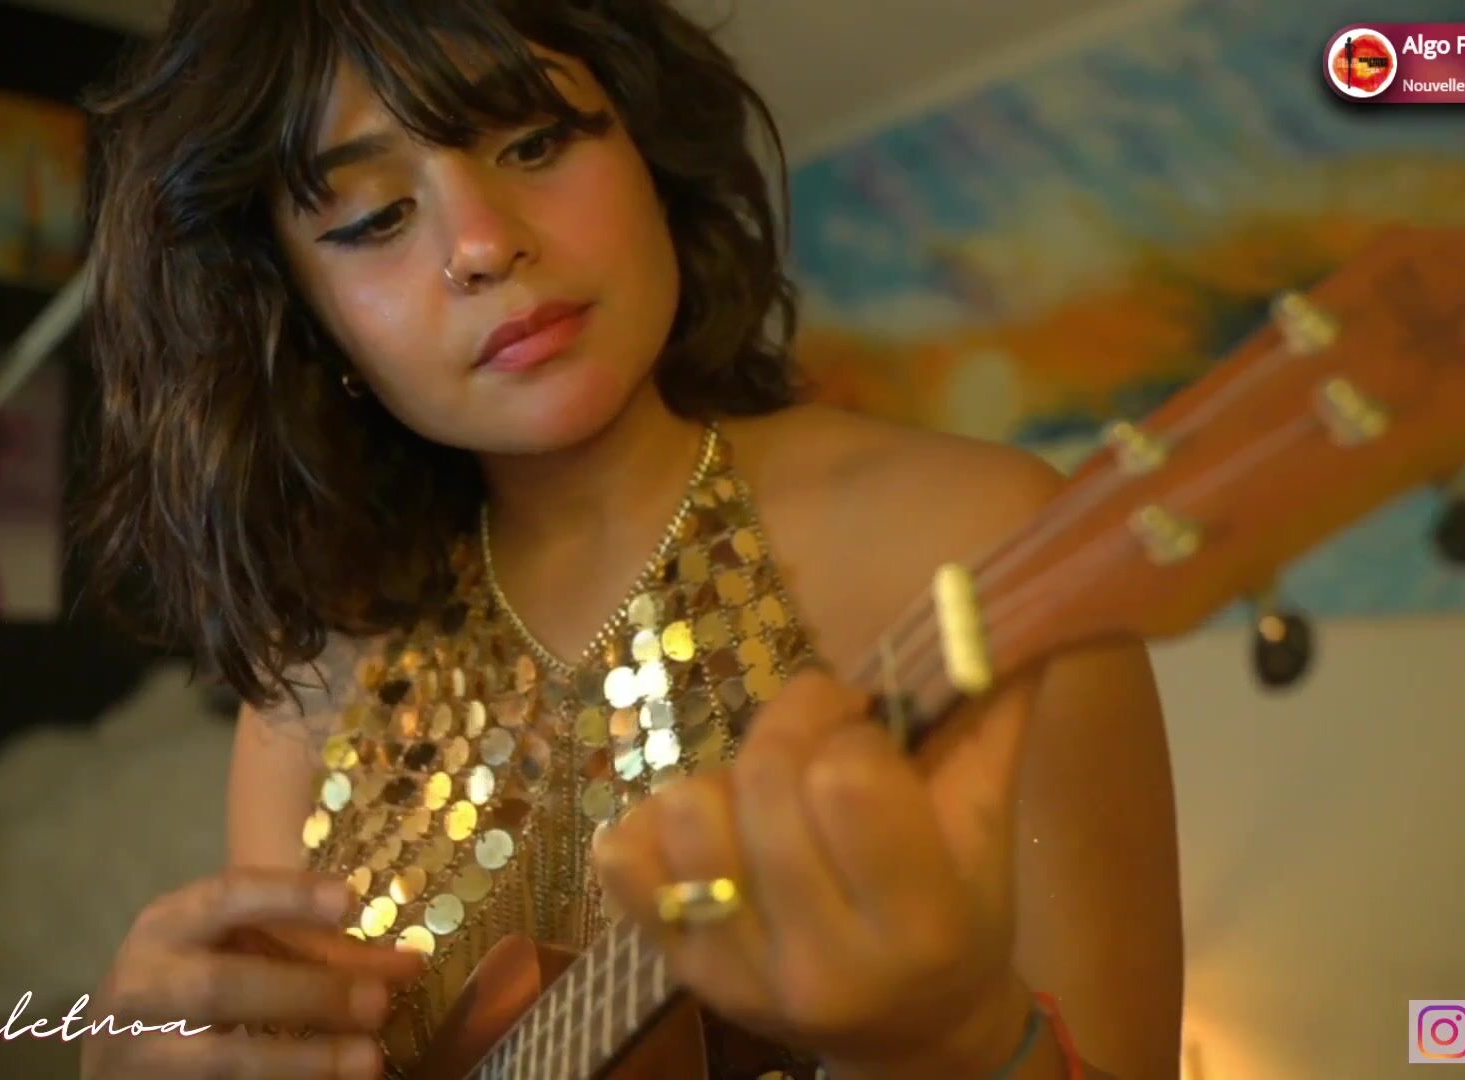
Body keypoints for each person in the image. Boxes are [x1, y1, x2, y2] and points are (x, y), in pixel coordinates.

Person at [71, 2, 1182, 1077]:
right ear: (305, 316)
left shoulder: (976, 543)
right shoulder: (311, 693)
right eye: (373, 220)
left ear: (647, 147)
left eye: (534, 142)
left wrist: (952, 1046)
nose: (483, 242)